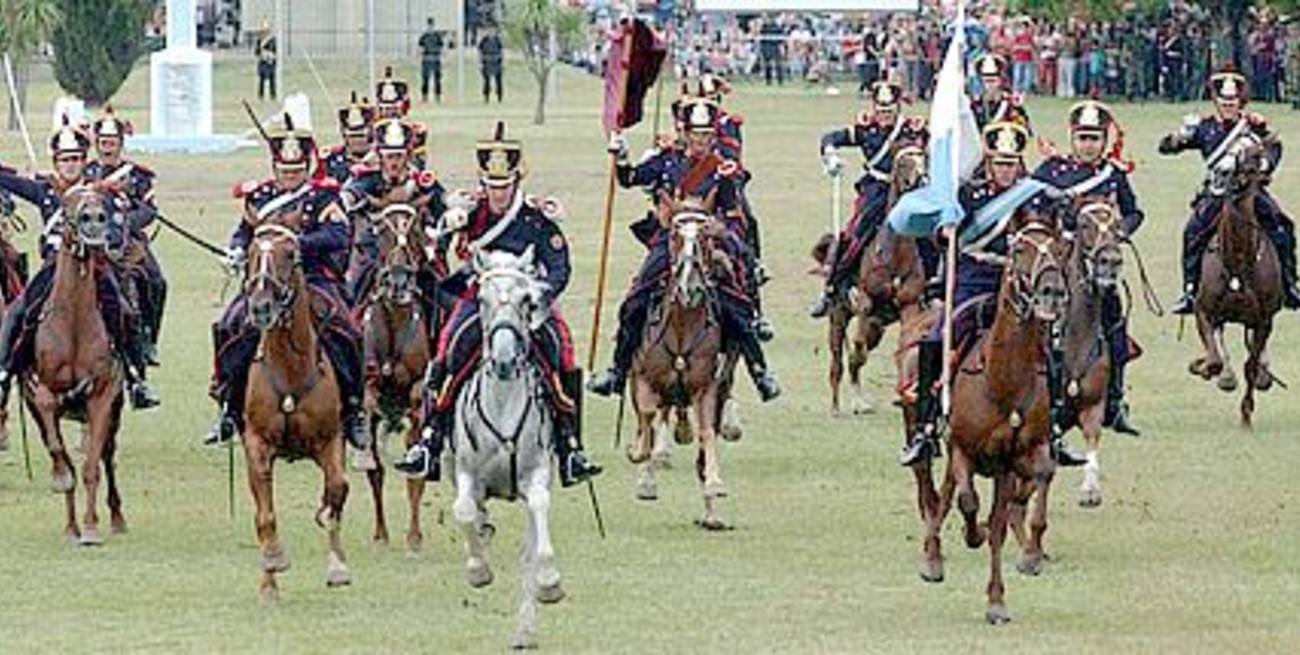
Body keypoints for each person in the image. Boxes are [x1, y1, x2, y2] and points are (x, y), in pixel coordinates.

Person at [394, 122, 601, 487]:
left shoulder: (536, 218)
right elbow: (436, 249)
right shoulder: (470, 213)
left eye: (504, 186)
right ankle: (429, 440)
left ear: (516, 182)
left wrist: (542, 294)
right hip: (481, 299)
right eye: (492, 186)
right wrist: (445, 228)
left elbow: (559, 265)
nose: (498, 194)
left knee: (562, 353)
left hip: (526, 300)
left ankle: (570, 447)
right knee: (447, 351)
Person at [898, 121, 1086, 469]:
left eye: (1012, 162)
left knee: (1053, 348)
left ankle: (1054, 430)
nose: (1006, 170)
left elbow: (1057, 228)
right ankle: (925, 426)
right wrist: (947, 230)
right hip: (974, 279)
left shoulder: (1034, 194)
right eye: (1000, 162)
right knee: (936, 339)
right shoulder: (969, 194)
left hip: (1017, 283)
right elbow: (940, 237)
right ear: (989, 162)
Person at [588, 97, 781, 403]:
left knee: (737, 304)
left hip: (708, 243)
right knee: (635, 300)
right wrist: (621, 154)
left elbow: (733, 216)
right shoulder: (666, 160)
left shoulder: (723, 170)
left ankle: (760, 372)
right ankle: (617, 369)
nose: (701, 140)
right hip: (670, 240)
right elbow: (630, 179)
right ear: (685, 132)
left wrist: (721, 232)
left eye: (707, 134)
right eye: (696, 133)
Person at [204, 114, 369, 451]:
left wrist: (299, 245)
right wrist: (237, 249)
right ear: (275, 167)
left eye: (295, 171)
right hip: (267, 280)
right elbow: (244, 231)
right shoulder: (261, 197)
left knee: (346, 332)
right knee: (230, 325)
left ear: (306, 167)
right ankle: (229, 407)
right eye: (284, 170)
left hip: (312, 279)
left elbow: (339, 235)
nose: (289, 177)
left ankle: (352, 411)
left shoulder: (324, 197)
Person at [0, 121, 159, 411]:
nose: (70, 165)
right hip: (54, 269)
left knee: (123, 310)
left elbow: (119, 226)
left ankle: (136, 378)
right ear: (56, 162)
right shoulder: (45, 190)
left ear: (85, 161)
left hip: (93, 268)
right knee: (19, 311)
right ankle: (4, 372)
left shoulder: (101, 192)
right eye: (64, 159)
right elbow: (8, 181)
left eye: (75, 159)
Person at [1031, 100, 1142, 435]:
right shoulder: (1052, 171)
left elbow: (1135, 212)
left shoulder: (1114, 174)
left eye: (1094, 138)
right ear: (1072, 138)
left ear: (1103, 140)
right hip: (1059, 256)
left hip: (1098, 262)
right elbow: (1031, 207)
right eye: (1082, 138)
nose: (1088, 145)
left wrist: (1118, 232)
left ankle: (1115, 400)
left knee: (1115, 320)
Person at [1158, 69, 1300, 312]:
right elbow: (1166, 148)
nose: (1228, 106)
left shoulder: (1252, 127)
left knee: (1282, 226)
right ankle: (1190, 290)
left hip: (1249, 193)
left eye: (1232, 102)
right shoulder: (1204, 128)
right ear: (1216, 102)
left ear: (1240, 103)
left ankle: (1289, 285)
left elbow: (1274, 147)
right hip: (1218, 193)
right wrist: (1179, 135)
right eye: (1223, 102)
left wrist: (1265, 165)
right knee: (1192, 232)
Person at [810, 78, 928, 318]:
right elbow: (830, 138)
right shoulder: (866, 129)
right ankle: (834, 286)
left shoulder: (912, 129)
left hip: (909, 191)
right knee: (857, 233)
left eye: (889, 109)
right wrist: (831, 156)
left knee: (927, 234)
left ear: (898, 108)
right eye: (881, 109)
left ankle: (932, 284)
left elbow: (932, 146)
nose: (885, 114)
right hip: (876, 189)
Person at [86, 106, 168, 369]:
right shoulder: (86, 173)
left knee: (156, 281)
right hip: (91, 239)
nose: (107, 148)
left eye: (112, 143)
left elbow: (149, 209)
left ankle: (148, 339)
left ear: (121, 144)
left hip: (128, 241)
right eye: (103, 143)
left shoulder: (137, 175)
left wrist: (127, 224)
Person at [340, 117, 446, 309]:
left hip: (415, 254)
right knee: (353, 292)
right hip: (375, 253)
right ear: (380, 157)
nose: (394, 162)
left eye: (399, 156)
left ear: (408, 156)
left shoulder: (423, 183)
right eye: (389, 156)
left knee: (441, 294)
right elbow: (350, 195)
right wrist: (346, 199)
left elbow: (443, 212)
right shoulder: (367, 180)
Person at [373, 67, 429, 169]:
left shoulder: (414, 130)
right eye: (385, 108)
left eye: (393, 108)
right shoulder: (370, 130)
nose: (389, 112)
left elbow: (418, 163)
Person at [970, 53, 1032, 133]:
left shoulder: (1011, 103)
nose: (990, 85)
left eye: (993, 81)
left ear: (1000, 80)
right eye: (986, 81)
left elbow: (1025, 131)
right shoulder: (976, 104)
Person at [323, 93, 375, 186]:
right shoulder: (330, 159)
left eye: (361, 136)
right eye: (353, 136)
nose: (357, 141)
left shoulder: (381, 158)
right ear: (344, 134)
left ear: (371, 133)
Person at [418, 17, 448, 104]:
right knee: (425, 79)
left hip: (436, 60)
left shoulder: (437, 36)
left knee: (437, 79)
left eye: (431, 25)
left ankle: (437, 96)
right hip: (426, 61)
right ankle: (424, 97)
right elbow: (420, 47)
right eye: (429, 25)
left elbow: (442, 47)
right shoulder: (424, 36)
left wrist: (443, 56)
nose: (430, 27)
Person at [478, 24, 504, 104]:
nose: (491, 32)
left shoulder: (497, 40)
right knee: (486, 81)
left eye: (492, 30)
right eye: (489, 30)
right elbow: (480, 52)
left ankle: (499, 97)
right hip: (486, 62)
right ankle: (486, 97)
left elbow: (501, 51)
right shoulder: (484, 40)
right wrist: (480, 63)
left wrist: (502, 62)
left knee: (498, 81)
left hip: (496, 62)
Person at [255, 21, 277, 101]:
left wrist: (271, 56)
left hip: (271, 62)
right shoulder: (259, 40)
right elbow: (257, 52)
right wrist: (262, 55)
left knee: (272, 79)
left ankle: (273, 96)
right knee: (261, 80)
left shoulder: (273, 39)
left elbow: (276, 51)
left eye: (267, 29)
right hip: (263, 62)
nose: (265, 31)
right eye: (264, 29)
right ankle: (260, 96)